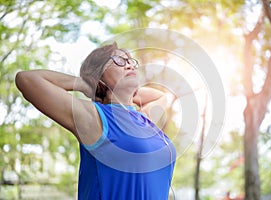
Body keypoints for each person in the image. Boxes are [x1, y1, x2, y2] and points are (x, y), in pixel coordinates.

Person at [15, 42, 176, 200]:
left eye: (130, 61)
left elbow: (162, 96)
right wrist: (86, 85)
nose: (129, 65)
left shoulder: (144, 118)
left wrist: (130, 93)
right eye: (119, 61)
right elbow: (27, 79)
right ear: (99, 75)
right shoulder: (94, 117)